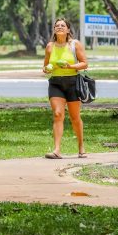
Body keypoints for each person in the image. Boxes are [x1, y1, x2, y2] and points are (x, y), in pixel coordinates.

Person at [43, 18, 88, 159]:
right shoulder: (50, 46)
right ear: (54, 30)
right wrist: (47, 69)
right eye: (57, 26)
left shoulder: (75, 45)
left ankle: (81, 147)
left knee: (75, 117)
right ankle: (56, 150)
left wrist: (70, 67)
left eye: (63, 25)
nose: (60, 27)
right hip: (55, 83)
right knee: (58, 114)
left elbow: (84, 64)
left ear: (68, 29)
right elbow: (45, 66)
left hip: (72, 83)